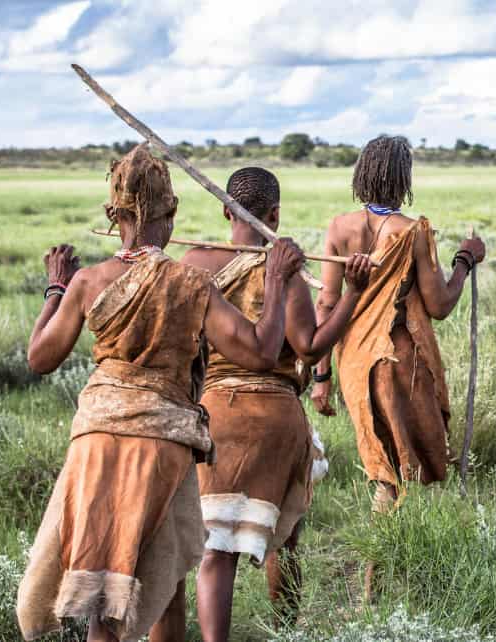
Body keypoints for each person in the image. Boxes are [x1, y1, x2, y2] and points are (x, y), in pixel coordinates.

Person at [16, 145, 306, 642]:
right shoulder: (188, 283)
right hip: (161, 446)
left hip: (95, 443)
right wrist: (276, 280)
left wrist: (56, 288)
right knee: (137, 587)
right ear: (170, 213)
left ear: (114, 215)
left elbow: (40, 358)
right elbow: (260, 351)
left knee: (112, 582)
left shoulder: (88, 282)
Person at [179, 167, 371, 641]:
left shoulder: (193, 262)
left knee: (215, 549)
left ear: (226, 210)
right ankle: (286, 632)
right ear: (276, 213)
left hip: (214, 414)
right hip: (277, 418)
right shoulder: (284, 270)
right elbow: (309, 347)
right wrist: (354, 294)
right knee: (284, 541)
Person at [310, 135, 485, 512]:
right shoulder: (412, 231)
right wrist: (465, 261)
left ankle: (388, 550)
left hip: (354, 362)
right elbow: (439, 305)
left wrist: (321, 378)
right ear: (403, 178)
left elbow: (326, 304)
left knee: (383, 467)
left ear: (362, 175)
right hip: (400, 357)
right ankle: (389, 552)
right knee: (406, 467)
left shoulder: (339, 227)